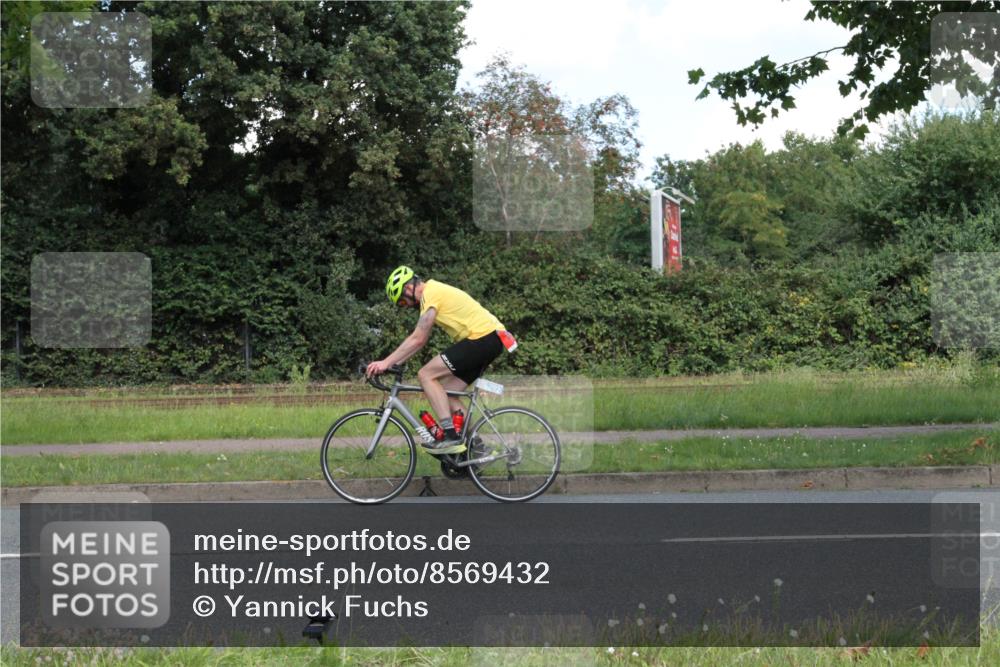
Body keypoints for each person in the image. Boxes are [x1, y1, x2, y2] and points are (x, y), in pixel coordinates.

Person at [366, 265, 513, 454]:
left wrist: (385, 363)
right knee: (448, 394)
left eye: (402, 301)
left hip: (483, 337)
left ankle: (450, 437)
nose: (407, 305)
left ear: (409, 288)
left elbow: (418, 338)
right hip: (490, 339)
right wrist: (394, 363)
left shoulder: (431, 293)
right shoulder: (434, 293)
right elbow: (419, 342)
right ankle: (477, 447)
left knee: (426, 374)